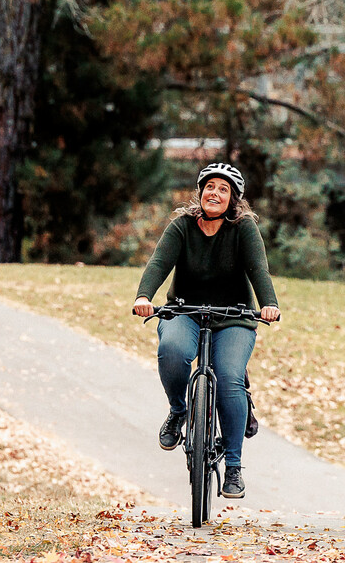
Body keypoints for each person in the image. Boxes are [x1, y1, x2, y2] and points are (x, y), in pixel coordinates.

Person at [132, 161, 281, 501]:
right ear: (200, 192)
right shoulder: (182, 226)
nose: (215, 193)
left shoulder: (243, 229)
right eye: (210, 187)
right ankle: (179, 411)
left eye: (223, 189)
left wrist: (268, 303)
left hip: (234, 317)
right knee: (172, 350)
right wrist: (144, 296)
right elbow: (159, 263)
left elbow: (259, 269)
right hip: (184, 310)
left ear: (234, 199)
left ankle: (233, 467)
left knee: (229, 377)